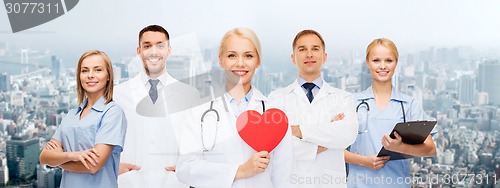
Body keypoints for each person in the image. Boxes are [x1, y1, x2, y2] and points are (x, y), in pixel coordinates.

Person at [175, 27, 293, 188]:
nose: (240, 63)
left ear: (258, 61)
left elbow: (283, 178)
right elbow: (185, 168)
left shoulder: (275, 114)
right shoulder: (199, 110)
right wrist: (239, 171)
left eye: (248, 56)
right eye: (231, 55)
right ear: (220, 60)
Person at [267, 29, 358, 188]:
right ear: (293, 58)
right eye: (302, 49)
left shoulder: (342, 98)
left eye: (315, 49)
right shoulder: (276, 98)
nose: (309, 54)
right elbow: (275, 144)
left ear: (325, 57)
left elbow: (348, 134)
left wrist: (297, 131)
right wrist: (329, 139)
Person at [114, 25, 199, 188]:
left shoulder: (189, 94)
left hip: (173, 183)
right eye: (147, 46)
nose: (154, 52)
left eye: (160, 46)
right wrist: (112, 167)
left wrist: (188, 168)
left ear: (169, 50)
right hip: (129, 182)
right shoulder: (117, 94)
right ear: (139, 51)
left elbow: (198, 142)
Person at [344, 38, 437, 187]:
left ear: (396, 63)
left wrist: (400, 148)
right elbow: (333, 149)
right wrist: (365, 161)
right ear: (367, 63)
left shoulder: (409, 105)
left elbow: (430, 149)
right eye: (376, 60)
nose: (382, 66)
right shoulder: (351, 102)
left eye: (388, 60)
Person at [39, 50, 127, 188]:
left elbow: (93, 166)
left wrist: (58, 160)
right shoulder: (71, 115)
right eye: (85, 71)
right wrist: (72, 156)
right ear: (79, 76)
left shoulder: (112, 112)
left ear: (108, 75)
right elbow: (44, 157)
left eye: (97, 70)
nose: (90, 75)